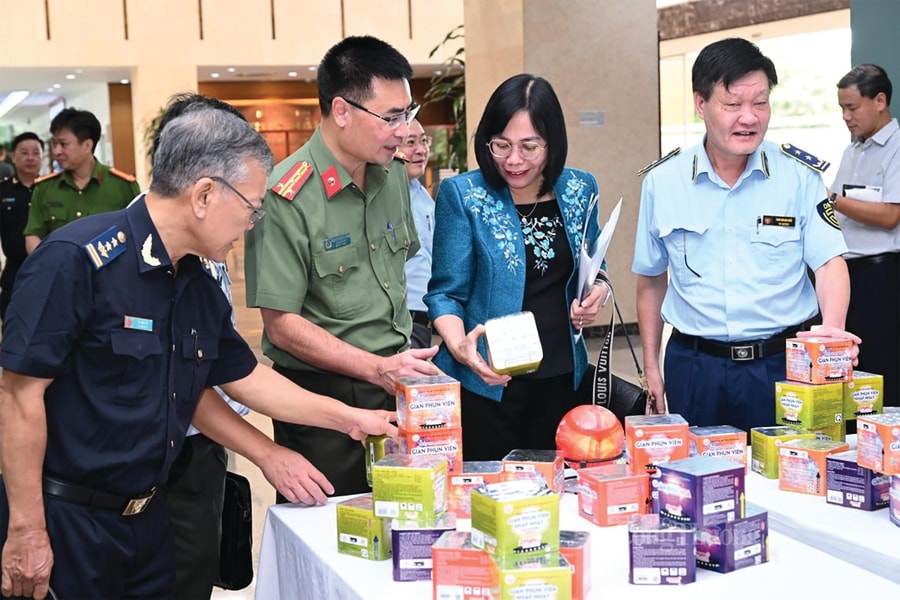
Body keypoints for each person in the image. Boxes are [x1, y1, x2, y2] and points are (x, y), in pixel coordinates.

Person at [0, 93, 397, 600]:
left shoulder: (195, 282)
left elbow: (244, 377)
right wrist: (27, 529)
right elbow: (18, 397)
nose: (252, 224)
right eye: (251, 208)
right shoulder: (76, 261)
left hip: (149, 518)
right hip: (69, 523)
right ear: (205, 194)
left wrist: (350, 419)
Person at [244, 35, 439, 499]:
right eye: (391, 118)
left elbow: (399, 278)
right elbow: (283, 325)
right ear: (342, 110)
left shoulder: (391, 175)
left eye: (408, 114)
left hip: (396, 385)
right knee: (331, 539)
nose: (403, 132)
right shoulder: (286, 195)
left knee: (404, 526)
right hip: (322, 404)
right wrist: (375, 368)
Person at [632, 37, 860, 432]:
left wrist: (833, 333)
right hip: (694, 365)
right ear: (701, 104)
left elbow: (829, 262)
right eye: (733, 104)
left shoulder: (799, 176)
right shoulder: (663, 182)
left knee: (791, 479)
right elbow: (651, 279)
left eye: (760, 102)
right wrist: (651, 367)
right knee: (694, 481)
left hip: (782, 364)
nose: (749, 117)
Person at [424, 73, 609, 461]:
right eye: (501, 145)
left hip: (561, 377)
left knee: (555, 493)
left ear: (552, 143)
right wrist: (461, 349)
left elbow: (597, 264)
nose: (513, 160)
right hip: (488, 382)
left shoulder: (579, 188)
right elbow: (445, 293)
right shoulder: (465, 195)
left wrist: (598, 293)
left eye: (530, 146)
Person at [829, 64, 900, 407]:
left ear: (880, 100)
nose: (846, 116)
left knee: (885, 371)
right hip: (849, 274)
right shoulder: (852, 150)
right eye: (842, 108)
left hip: (882, 275)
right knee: (853, 372)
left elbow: (890, 215)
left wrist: (830, 199)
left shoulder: (897, 147)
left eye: (852, 107)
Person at [24, 107, 141, 253]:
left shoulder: (122, 186)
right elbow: (34, 235)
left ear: (87, 146)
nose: (56, 151)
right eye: (54, 144)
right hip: (60, 272)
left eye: (63, 144)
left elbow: (139, 234)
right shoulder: (45, 188)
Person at [399, 119, 435, 349]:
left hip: (423, 320)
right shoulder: (385, 197)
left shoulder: (423, 195)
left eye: (423, 141)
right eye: (410, 142)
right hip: (402, 320)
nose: (420, 150)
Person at [0, 132, 43, 319]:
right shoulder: (3, 190)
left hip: (48, 270)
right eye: (24, 153)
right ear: (13, 157)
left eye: (36, 153)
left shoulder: (51, 188)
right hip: (14, 272)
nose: (30, 158)